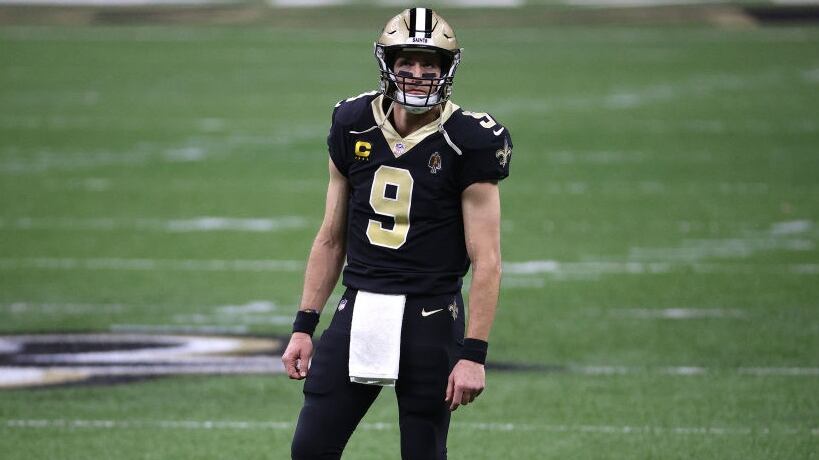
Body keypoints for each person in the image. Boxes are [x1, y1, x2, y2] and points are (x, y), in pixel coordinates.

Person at [282, 7, 512, 459]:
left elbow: (487, 259)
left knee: (423, 452)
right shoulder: (353, 122)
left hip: (429, 315)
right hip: (361, 305)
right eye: (407, 61)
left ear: (448, 70)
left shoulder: (469, 139)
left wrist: (474, 354)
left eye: (431, 65)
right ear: (387, 63)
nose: (418, 73)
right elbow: (331, 236)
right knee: (310, 450)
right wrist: (304, 325)